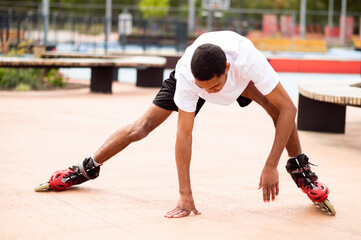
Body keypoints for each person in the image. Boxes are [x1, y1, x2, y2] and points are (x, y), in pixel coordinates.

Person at [43, 31, 330, 218]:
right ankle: (86, 168)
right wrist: (185, 197)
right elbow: (184, 135)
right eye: (205, 88)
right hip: (197, 77)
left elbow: (289, 109)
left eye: (215, 87)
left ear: (227, 70)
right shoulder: (187, 77)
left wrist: (271, 165)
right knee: (141, 128)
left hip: (243, 83)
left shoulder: (246, 60)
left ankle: (300, 168)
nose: (211, 92)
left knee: (276, 108)